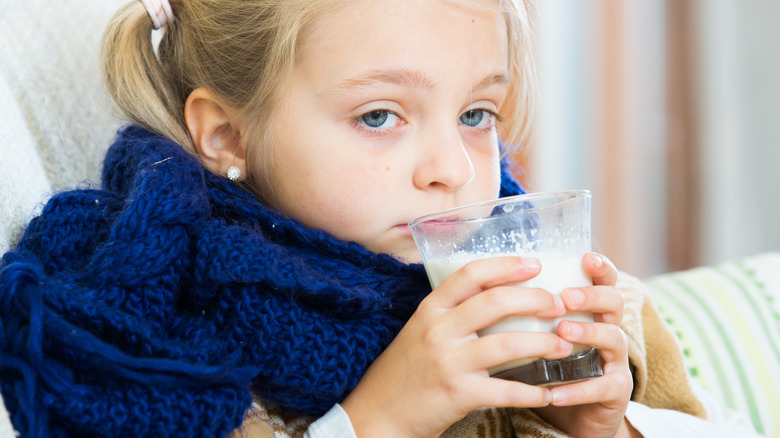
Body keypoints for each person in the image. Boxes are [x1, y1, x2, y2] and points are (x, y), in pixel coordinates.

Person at [0, 0, 764, 437]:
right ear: (228, 135)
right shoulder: (165, 336)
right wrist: (377, 422)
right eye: (379, 115)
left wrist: (614, 427)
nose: (455, 169)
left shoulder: (583, 309)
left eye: (475, 112)